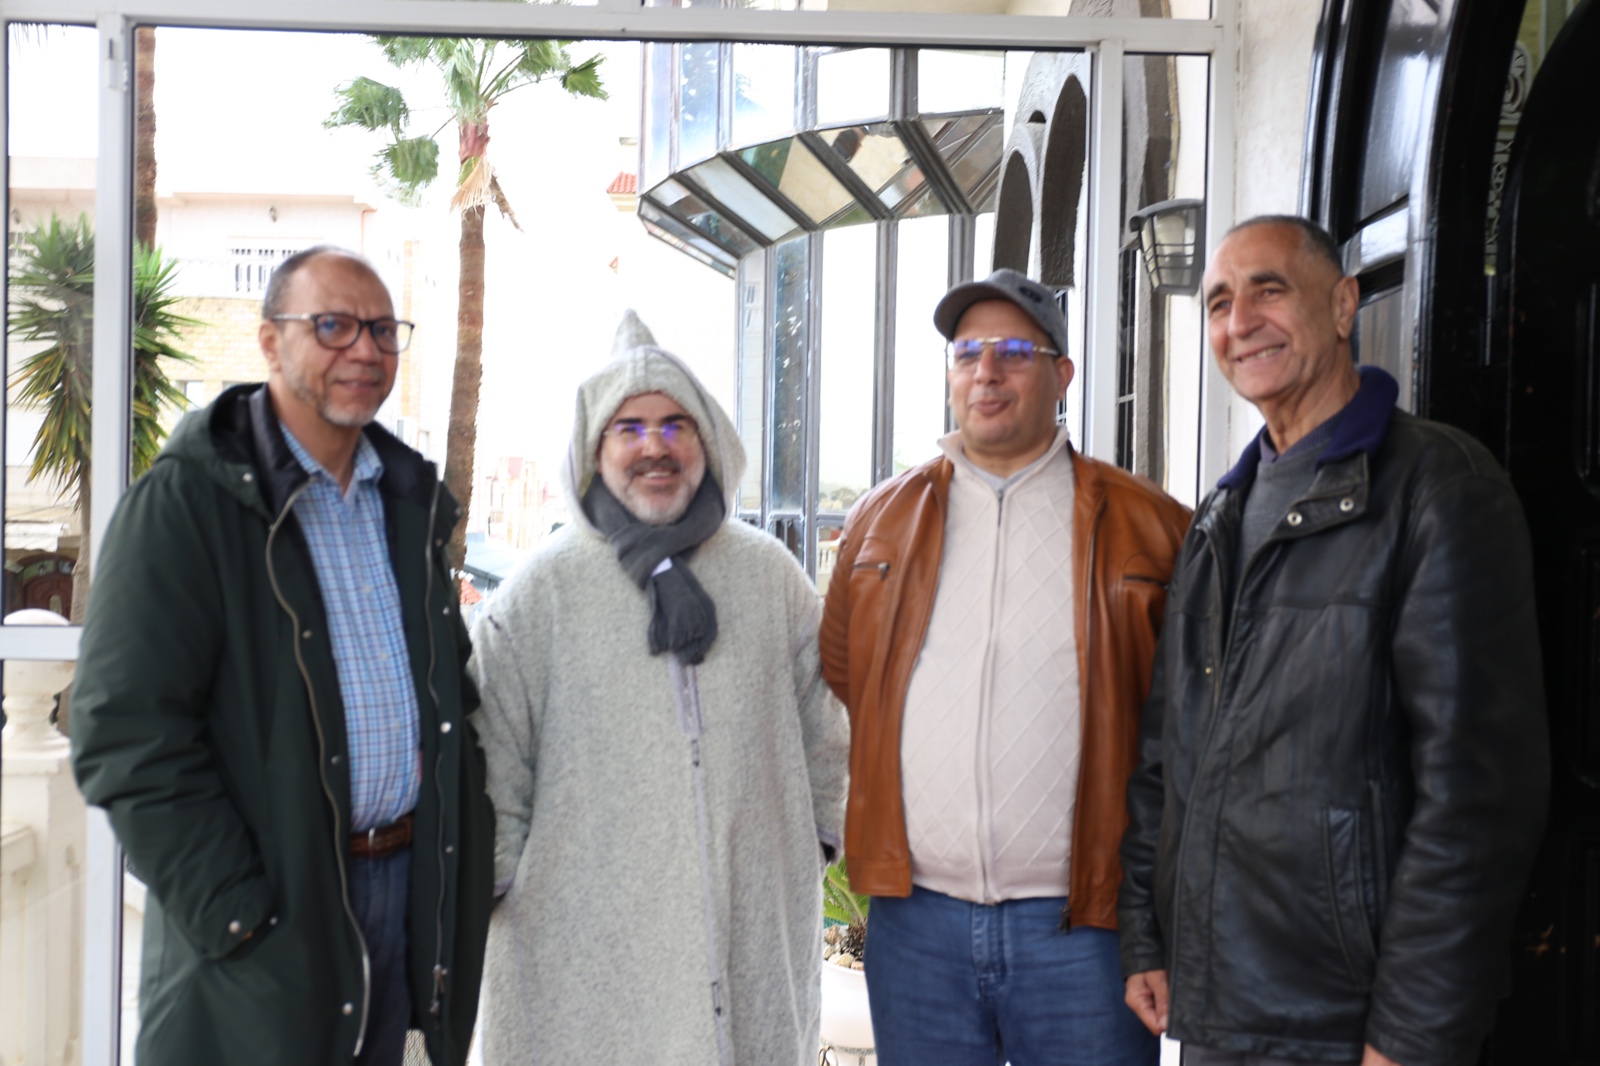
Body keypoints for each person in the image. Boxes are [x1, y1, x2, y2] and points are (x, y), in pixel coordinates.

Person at [1118, 216, 1550, 1066]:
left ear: (1344, 304)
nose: (1241, 322)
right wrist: (1146, 934)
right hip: (1219, 1013)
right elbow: (1168, 756)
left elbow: (1476, 801)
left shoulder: (1438, 491)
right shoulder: (1219, 516)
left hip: (1350, 1025)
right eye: (1218, 303)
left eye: (1269, 290)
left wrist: (1413, 1033)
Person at [70, 246, 494, 1066]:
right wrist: (235, 909)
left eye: (382, 330)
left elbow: (451, 700)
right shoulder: (188, 503)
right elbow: (123, 732)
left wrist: (458, 867)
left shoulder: (405, 504)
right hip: (271, 911)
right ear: (269, 341)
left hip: (404, 893)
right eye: (332, 326)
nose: (364, 350)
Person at [820, 268, 1190, 1065]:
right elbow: (849, 673)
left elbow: (1187, 724)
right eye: (967, 353)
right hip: (917, 927)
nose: (986, 372)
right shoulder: (880, 521)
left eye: (1015, 352)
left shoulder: (1153, 526)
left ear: (1062, 375)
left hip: (1085, 931)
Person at [469, 321, 849, 1065]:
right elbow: (490, 765)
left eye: (676, 424)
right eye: (630, 428)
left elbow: (825, 730)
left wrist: (808, 846)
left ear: (708, 440)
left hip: (749, 929)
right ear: (593, 449)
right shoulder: (539, 594)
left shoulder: (770, 578)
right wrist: (512, 882)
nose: (655, 446)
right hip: (580, 953)